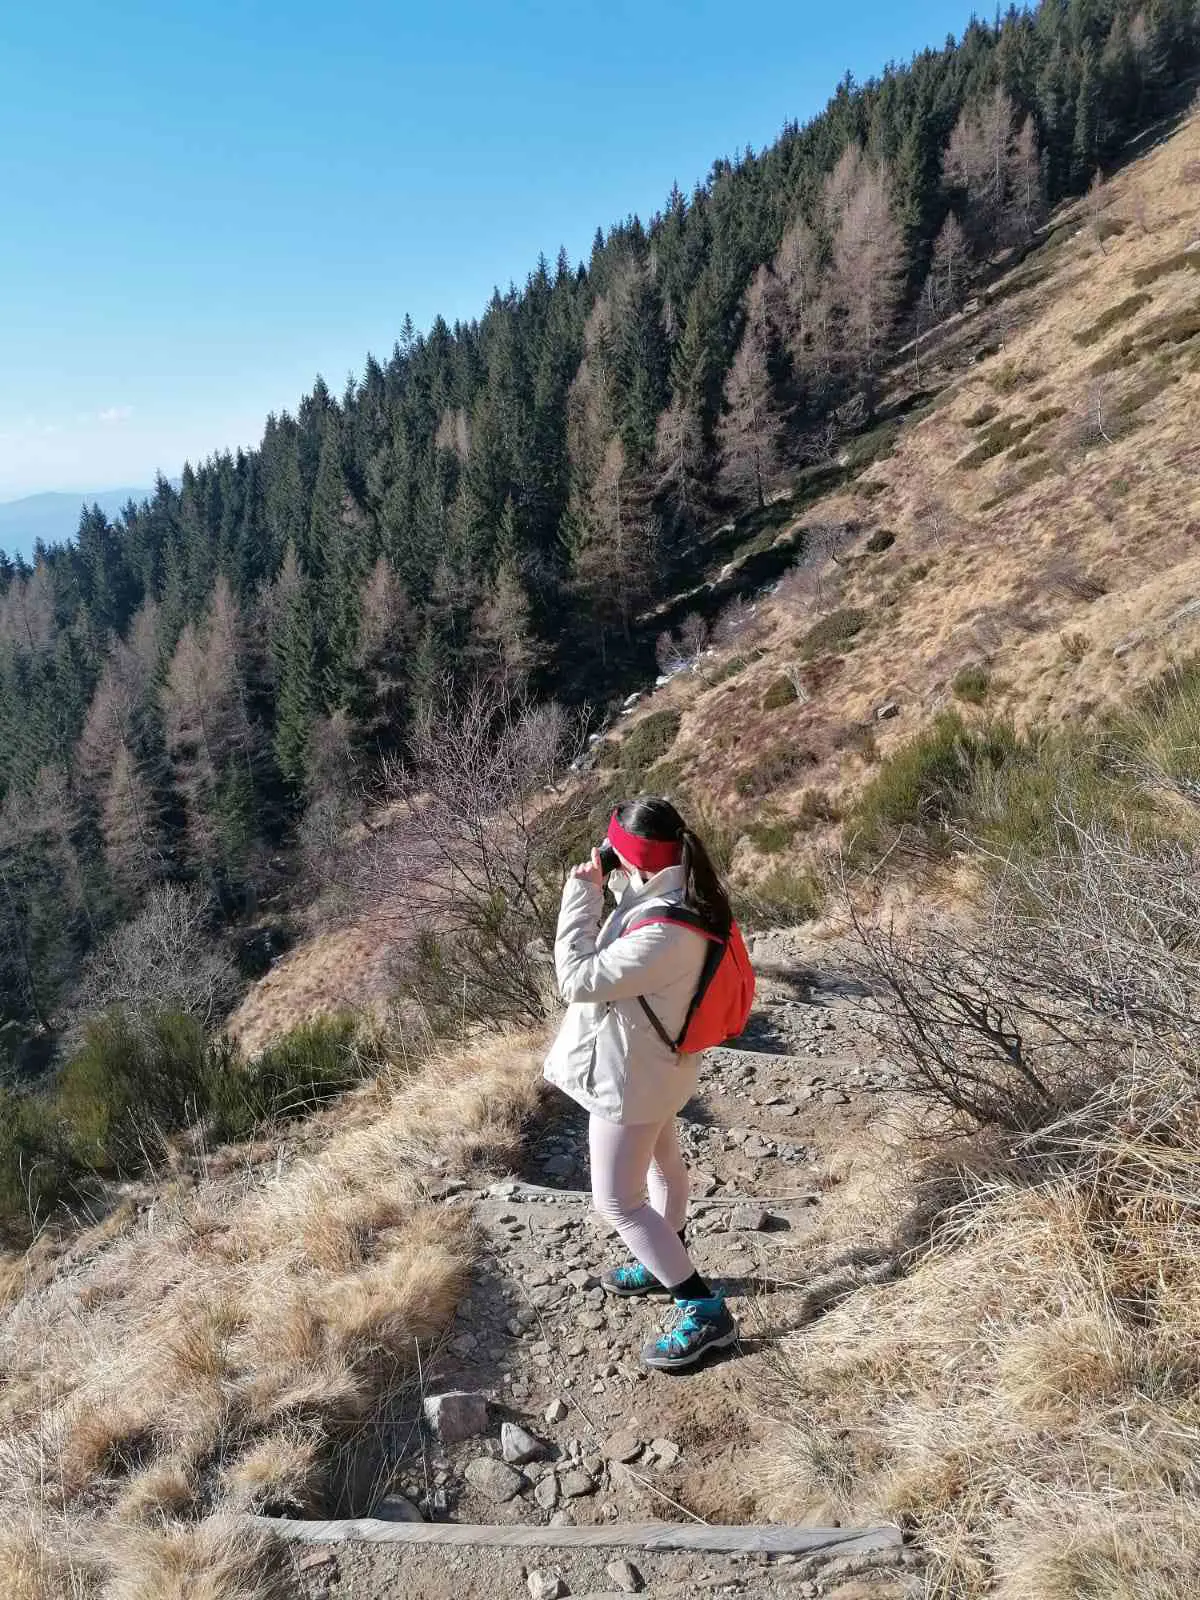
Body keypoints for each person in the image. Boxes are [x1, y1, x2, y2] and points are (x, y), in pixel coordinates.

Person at [543, 795, 738, 1372]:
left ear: (639, 862)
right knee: (663, 1168)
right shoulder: (683, 895)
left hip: (629, 1082)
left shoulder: (665, 933)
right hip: (660, 1070)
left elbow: (576, 979)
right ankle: (664, 1256)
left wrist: (580, 894)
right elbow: (636, 913)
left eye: (616, 852)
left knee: (617, 1202)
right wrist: (616, 873)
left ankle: (703, 1310)